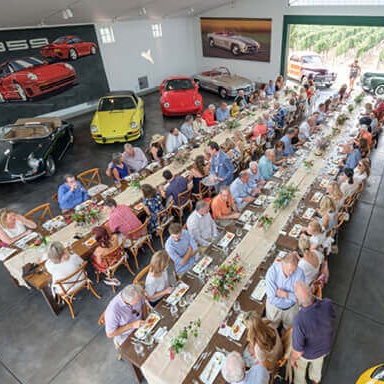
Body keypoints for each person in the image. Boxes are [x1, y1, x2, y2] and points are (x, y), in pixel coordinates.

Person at [291, 281, 336, 384]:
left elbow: (299, 351)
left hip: (308, 354)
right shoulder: (327, 303)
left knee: (299, 368)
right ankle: (315, 380)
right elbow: (333, 317)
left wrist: (292, 359)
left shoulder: (299, 320)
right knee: (317, 366)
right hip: (324, 349)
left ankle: (300, 382)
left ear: (296, 299)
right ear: (311, 291)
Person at [265, 252, 305, 329]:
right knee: (271, 329)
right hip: (274, 309)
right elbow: (271, 298)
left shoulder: (300, 273)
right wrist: (291, 297)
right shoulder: (272, 272)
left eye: (293, 271)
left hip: (291, 309)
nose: (291, 273)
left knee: (290, 329)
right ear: (282, 263)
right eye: (289, 270)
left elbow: (299, 297)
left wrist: (285, 294)